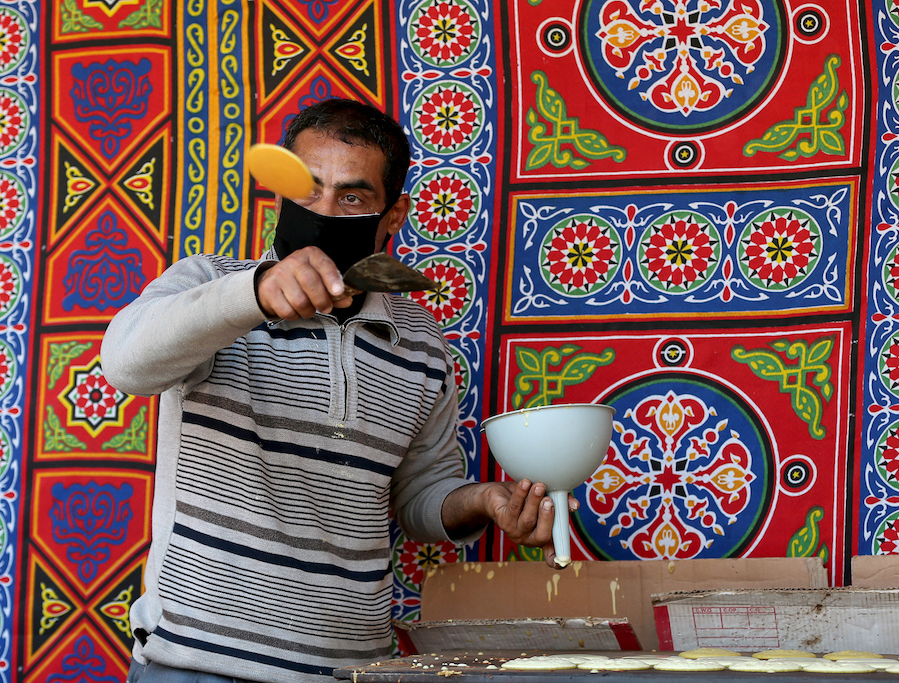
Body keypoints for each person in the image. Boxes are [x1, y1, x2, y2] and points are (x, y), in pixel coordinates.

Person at [100, 98, 569, 683]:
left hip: (350, 669)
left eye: (351, 196)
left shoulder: (420, 342)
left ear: (392, 214)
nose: (323, 210)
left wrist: (483, 502)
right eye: (306, 189)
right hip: (196, 662)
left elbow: (421, 495)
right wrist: (254, 296)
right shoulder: (209, 286)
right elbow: (125, 363)